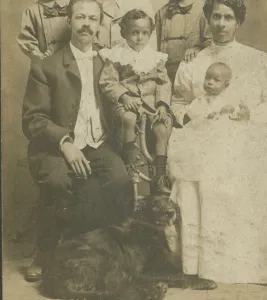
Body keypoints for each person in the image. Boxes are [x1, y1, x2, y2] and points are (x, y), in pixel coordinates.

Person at [169, 0, 267, 284]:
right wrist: (188, 118)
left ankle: (247, 263)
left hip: (243, 137)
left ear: (238, 22)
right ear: (207, 19)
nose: (221, 24)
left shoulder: (259, 59)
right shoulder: (194, 60)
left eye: (228, 17)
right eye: (216, 16)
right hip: (202, 139)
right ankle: (202, 265)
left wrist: (249, 113)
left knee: (242, 174)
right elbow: (179, 100)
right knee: (197, 173)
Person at [22, 0, 133, 282]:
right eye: (81, 17)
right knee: (59, 180)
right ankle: (46, 252)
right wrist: (65, 143)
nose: (87, 24)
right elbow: (33, 119)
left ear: (99, 24)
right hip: (55, 150)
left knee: (119, 179)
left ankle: (99, 252)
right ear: (69, 21)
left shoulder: (109, 64)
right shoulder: (46, 67)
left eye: (93, 19)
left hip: (99, 145)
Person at [99, 9, 173, 194]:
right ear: (124, 33)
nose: (139, 37)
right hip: (126, 103)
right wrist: (124, 96)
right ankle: (130, 163)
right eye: (134, 32)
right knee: (129, 119)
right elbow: (108, 82)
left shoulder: (155, 58)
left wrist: (162, 105)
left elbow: (164, 83)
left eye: (144, 33)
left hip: (151, 105)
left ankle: (160, 174)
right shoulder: (116, 56)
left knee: (162, 127)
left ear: (150, 33)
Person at [155, 0, 211, 85]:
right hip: (167, 73)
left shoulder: (202, 9)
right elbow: (156, 46)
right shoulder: (162, 13)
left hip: (190, 73)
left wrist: (198, 48)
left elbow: (211, 41)